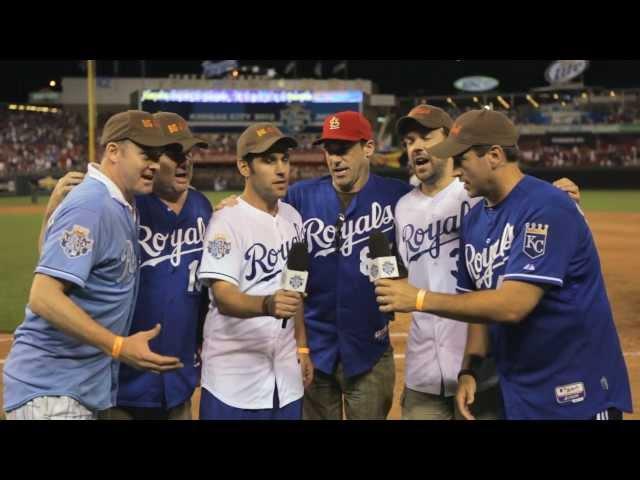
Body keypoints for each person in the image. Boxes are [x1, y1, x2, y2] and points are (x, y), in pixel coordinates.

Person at [375, 109, 633, 420]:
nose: (455, 171)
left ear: (494, 155)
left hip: (577, 389)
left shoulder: (547, 206)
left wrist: (417, 298)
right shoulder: (475, 219)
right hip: (524, 391)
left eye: (462, 160)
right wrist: (469, 368)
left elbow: (514, 304)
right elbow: (479, 305)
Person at [3, 110, 184, 420]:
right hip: (54, 392)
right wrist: (117, 346)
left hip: (72, 390)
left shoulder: (121, 203)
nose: (154, 164)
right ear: (113, 151)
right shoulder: (93, 205)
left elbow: (59, 260)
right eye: (145, 154)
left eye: (157, 155)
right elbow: (43, 295)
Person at [286, 111, 412, 420]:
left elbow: (443, 199)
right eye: (329, 150)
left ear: (368, 148)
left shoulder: (398, 196)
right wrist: (231, 204)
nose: (335, 159)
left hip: (370, 349)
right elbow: (258, 211)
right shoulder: (300, 196)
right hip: (315, 352)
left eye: (343, 150)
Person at [197, 123, 313, 420]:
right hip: (233, 380)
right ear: (244, 167)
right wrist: (267, 304)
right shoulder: (227, 220)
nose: (281, 169)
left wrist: (302, 347)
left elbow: (294, 290)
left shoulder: (293, 218)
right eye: (268, 160)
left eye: (284, 159)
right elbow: (223, 296)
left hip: (285, 378)